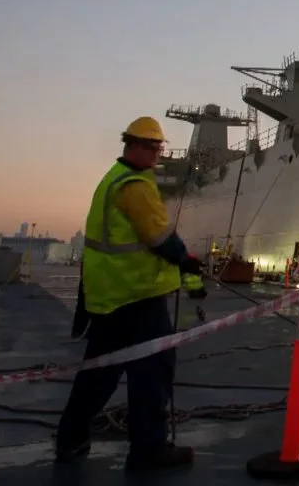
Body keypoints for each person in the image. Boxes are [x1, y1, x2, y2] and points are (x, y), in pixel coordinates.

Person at [55, 117, 205, 472]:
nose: (156, 154)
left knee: (99, 374)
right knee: (152, 374)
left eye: (158, 148)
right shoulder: (135, 185)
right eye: (151, 148)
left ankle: (70, 440)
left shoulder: (113, 178)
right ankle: (149, 450)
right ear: (132, 145)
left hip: (109, 296)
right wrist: (186, 260)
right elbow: (158, 236)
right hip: (138, 297)